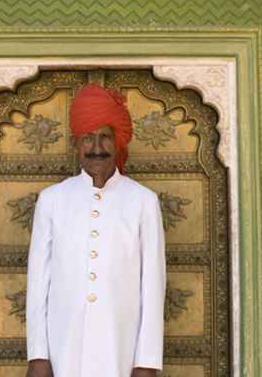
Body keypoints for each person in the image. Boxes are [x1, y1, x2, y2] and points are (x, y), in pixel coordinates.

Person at [25, 83, 167, 377]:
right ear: (76, 144)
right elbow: (38, 283)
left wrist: (147, 362)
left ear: (118, 143)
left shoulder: (143, 201)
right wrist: (38, 354)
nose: (97, 148)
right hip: (63, 343)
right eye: (88, 139)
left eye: (105, 137)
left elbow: (153, 286)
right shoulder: (52, 199)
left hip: (121, 346)